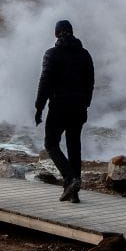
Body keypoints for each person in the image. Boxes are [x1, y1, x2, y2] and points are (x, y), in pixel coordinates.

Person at [35, 19, 94, 203]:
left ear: (56, 34)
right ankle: (73, 193)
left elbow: (45, 83)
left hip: (59, 107)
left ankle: (70, 178)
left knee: (51, 144)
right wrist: (86, 103)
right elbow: (90, 82)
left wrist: (39, 107)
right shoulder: (85, 55)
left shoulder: (52, 54)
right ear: (71, 32)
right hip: (78, 108)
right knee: (74, 147)